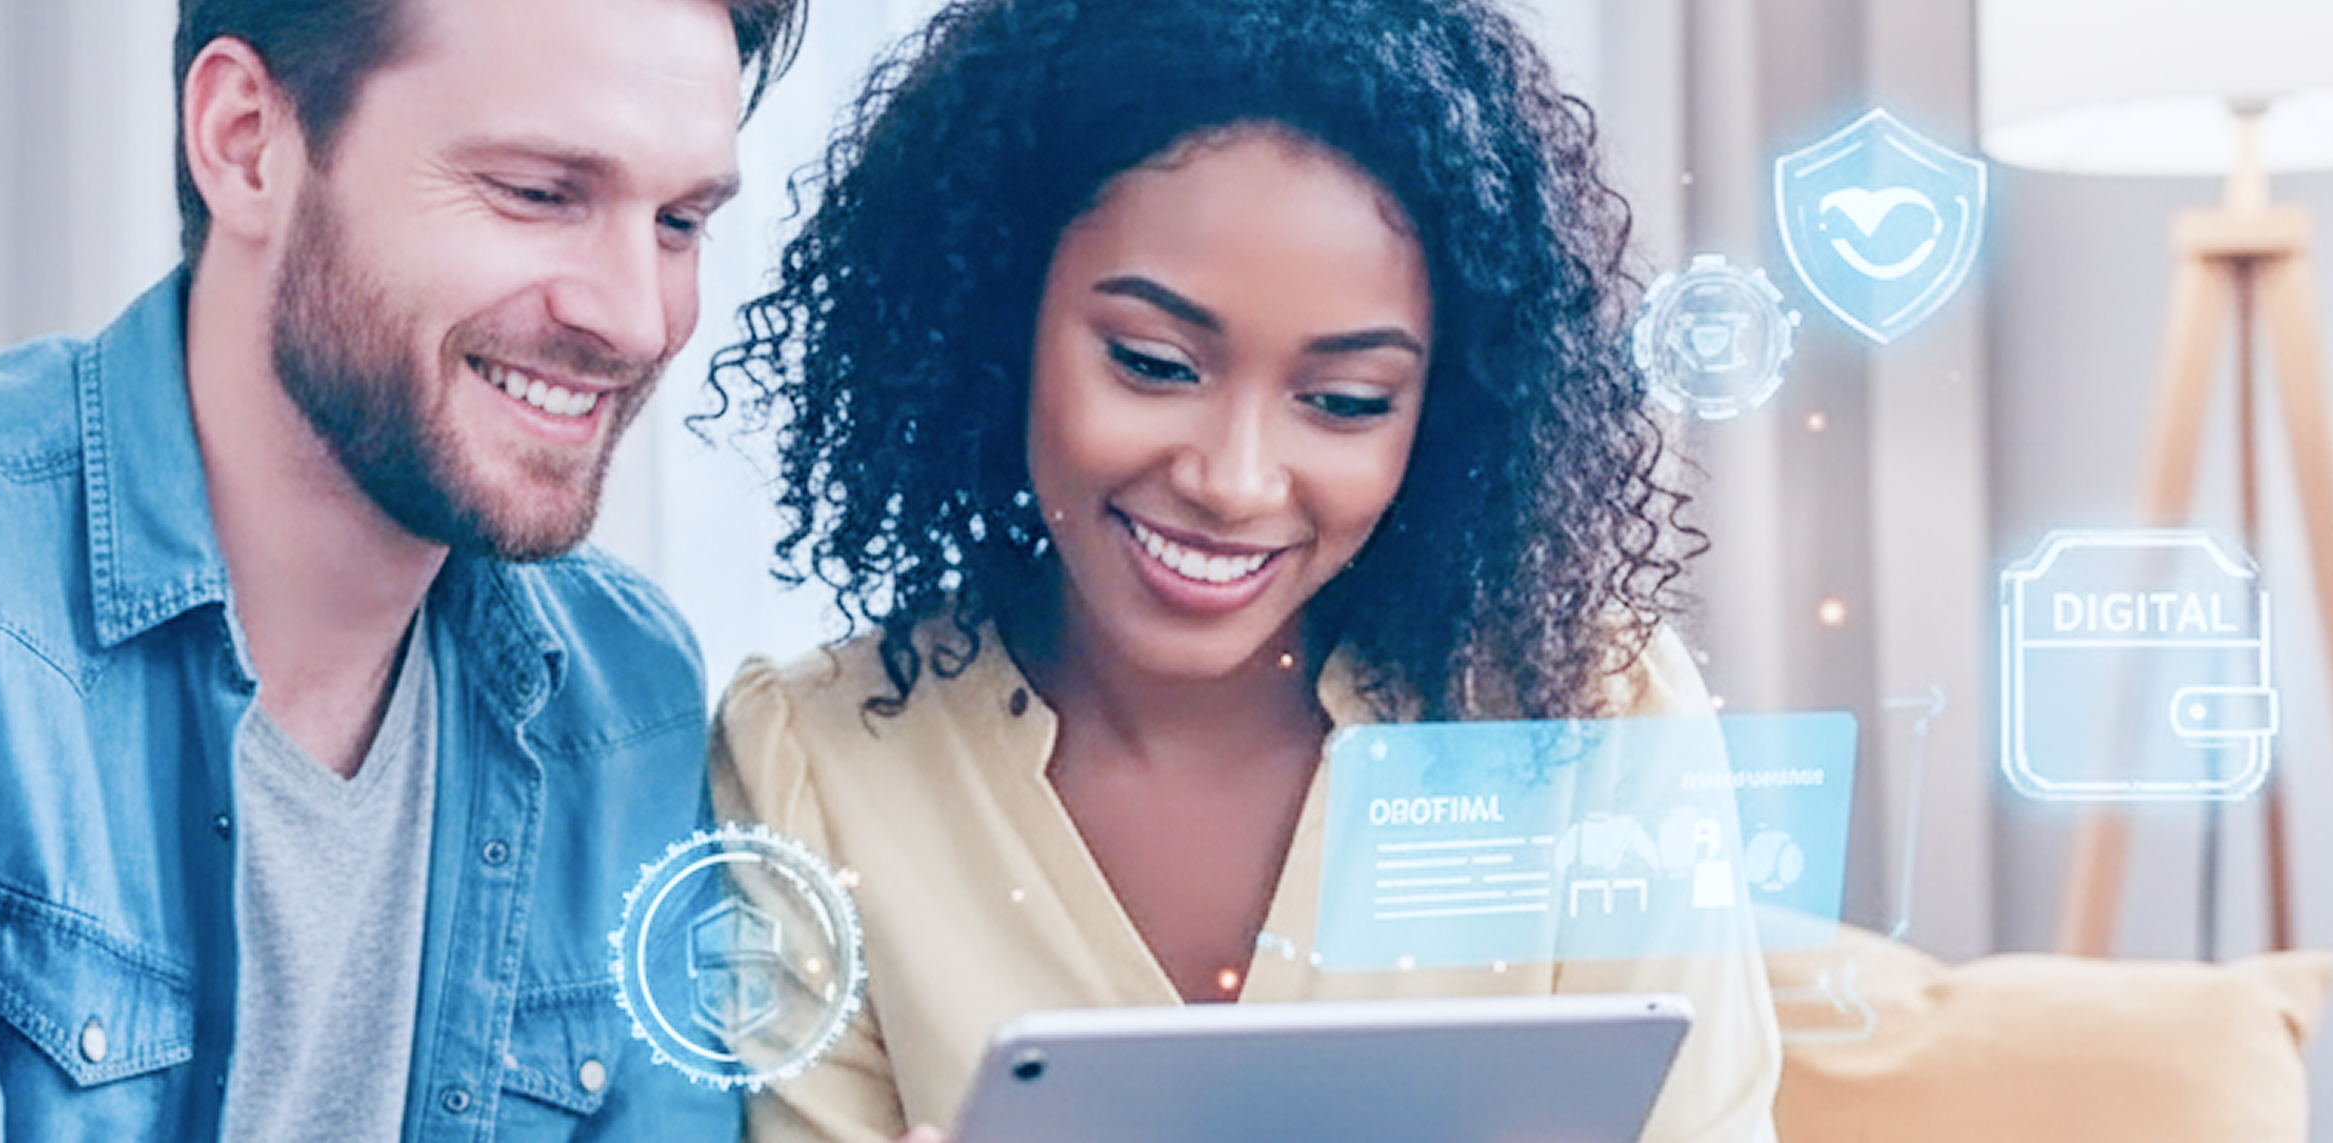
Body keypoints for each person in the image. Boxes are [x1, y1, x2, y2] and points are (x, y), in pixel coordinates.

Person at [0, 0, 803, 1138]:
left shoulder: (621, 693)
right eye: (537, 193)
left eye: (680, 221)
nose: (636, 317)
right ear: (245, 141)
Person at [702, 0, 1777, 1140]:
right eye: (1154, 364)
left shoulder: (1588, 719)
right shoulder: (816, 768)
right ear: (1001, 318)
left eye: (1347, 402)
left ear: (1448, 415)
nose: (1235, 481)